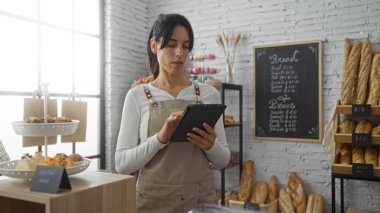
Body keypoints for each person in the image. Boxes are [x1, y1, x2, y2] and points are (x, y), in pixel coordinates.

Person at [115, 13, 230, 213]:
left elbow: (223, 160)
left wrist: (211, 145)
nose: (180, 53)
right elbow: (122, 164)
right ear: (154, 46)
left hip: (199, 202)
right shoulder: (137, 96)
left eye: (186, 46)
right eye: (171, 44)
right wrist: (160, 138)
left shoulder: (208, 94)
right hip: (152, 203)